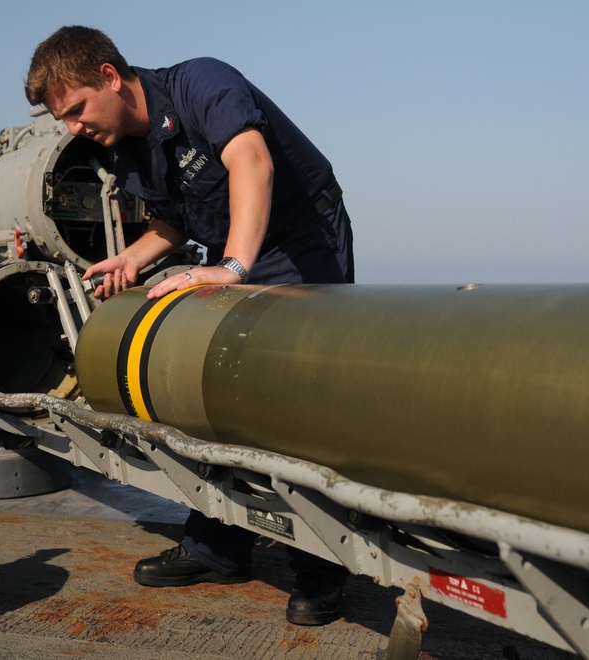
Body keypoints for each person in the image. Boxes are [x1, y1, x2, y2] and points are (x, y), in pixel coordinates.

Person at [26, 26, 355, 626]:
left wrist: (232, 267)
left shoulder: (201, 81)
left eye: (75, 109)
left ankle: (322, 570)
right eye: (62, 120)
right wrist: (134, 257)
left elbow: (251, 161)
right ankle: (219, 548)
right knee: (220, 396)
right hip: (239, 250)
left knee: (301, 403)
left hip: (300, 237)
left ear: (108, 75)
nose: (73, 127)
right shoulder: (125, 147)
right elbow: (175, 222)